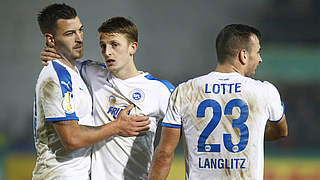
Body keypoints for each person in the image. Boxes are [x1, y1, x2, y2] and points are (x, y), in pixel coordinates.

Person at [148, 24, 288, 180]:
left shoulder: (184, 91)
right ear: (243, 55)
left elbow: (164, 154)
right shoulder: (265, 91)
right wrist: (249, 132)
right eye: (258, 52)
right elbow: (281, 131)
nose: (260, 59)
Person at [41, 16, 175, 179]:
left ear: (133, 47)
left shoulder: (160, 90)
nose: (107, 52)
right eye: (102, 46)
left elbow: (183, 128)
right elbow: (64, 60)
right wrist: (51, 52)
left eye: (114, 45)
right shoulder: (92, 73)